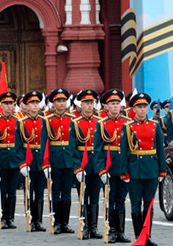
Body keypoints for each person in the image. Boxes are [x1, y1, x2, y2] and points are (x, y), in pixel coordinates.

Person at [121, 92, 165, 246]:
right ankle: (138, 236)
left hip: (151, 168)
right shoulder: (127, 127)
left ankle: (146, 237)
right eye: (139, 107)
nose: (142, 110)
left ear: (147, 109)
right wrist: (124, 172)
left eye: (144, 107)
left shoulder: (155, 125)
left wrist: (162, 170)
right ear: (134, 109)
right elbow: (124, 151)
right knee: (135, 205)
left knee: (149, 205)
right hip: (134, 170)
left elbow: (160, 149)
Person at [93, 89, 129, 243]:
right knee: (110, 199)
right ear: (106, 107)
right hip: (109, 167)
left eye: (117, 104)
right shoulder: (101, 125)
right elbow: (98, 150)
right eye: (112, 104)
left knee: (121, 199)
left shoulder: (127, 123)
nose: (115, 106)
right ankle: (112, 230)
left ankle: (121, 231)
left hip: (123, 167)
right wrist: (101, 170)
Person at [0, 91, 25, 229]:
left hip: (14, 159)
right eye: (6, 104)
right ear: (1, 105)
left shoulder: (18, 121)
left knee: (12, 190)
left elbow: (22, 143)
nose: (9, 107)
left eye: (11, 104)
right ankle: (3, 217)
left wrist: (22, 162)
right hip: (1, 160)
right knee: (2, 190)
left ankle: (11, 218)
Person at [42, 87, 77, 234]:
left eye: (63, 101)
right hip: (54, 159)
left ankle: (65, 223)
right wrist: (46, 163)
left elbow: (76, 142)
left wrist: (77, 162)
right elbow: (44, 143)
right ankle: (56, 222)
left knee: (67, 192)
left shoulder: (73, 120)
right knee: (55, 192)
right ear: (53, 103)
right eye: (58, 101)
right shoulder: (47, 120)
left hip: (68, 158)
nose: (61, 104)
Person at [73, 89, 103, 239]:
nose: (90, 106)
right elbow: (73, 148)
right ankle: (84, 226)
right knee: (83, 197)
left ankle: (94, 227)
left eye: (92, 103)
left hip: (96, 164)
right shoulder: (75, 123)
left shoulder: (100, 122)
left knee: (95, 197)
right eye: (86, 103)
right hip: (83, 165)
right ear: (81, 105)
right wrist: (77, 168)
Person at [19, 90, 47, 231]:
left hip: (41, 161)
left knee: (40, 192)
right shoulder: (21, 123)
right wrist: (22, 163)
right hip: (28, 161)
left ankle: (39, 221)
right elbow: (18, 146)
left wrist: (47, 162)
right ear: (27, 106)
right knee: (29, 192)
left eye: (37, 103)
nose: (35, 106)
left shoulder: (44, 121)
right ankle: (30, 219)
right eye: (32, 103)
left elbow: (48, 142)